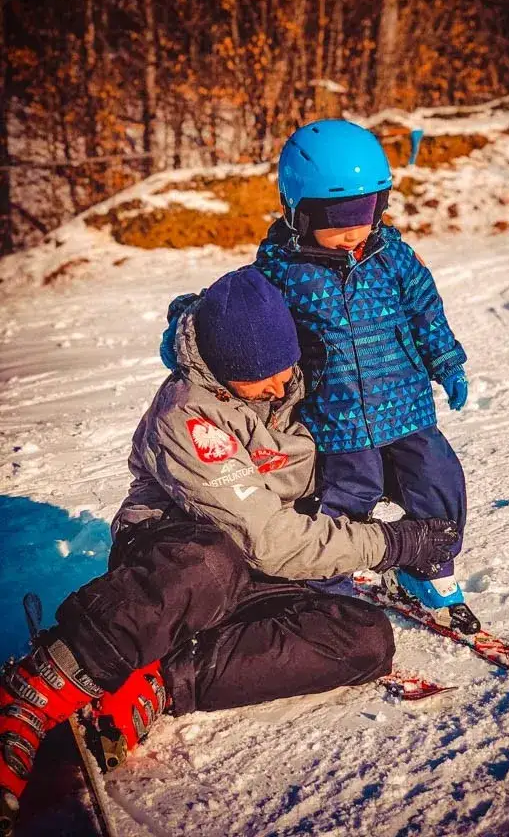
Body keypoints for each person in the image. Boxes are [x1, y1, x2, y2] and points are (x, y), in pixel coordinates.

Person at [0, 269, 460, 833]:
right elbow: (270, 540)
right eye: (256, 378)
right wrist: (389, 544)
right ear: (220, 368)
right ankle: (33, 690)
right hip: (175, 557)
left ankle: (160, 678)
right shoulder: (185, 414)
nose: (277, 387)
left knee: (363, 638)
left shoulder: (297, 382)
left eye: (283, 369)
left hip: (257, 566)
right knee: (212, 561)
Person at [162, 119, 478, 633]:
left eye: (366, 211)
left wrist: (447, 362)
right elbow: (232, 310)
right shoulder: (280, 272)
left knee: (439, 483)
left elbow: (426, 310)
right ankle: (327, 581)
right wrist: (186, 332)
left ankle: (426, 569)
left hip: (408, 406)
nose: (354, 229)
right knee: (348, 498)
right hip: (336, 419)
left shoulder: (393, 257)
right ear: (298, 212)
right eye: (337, 217)